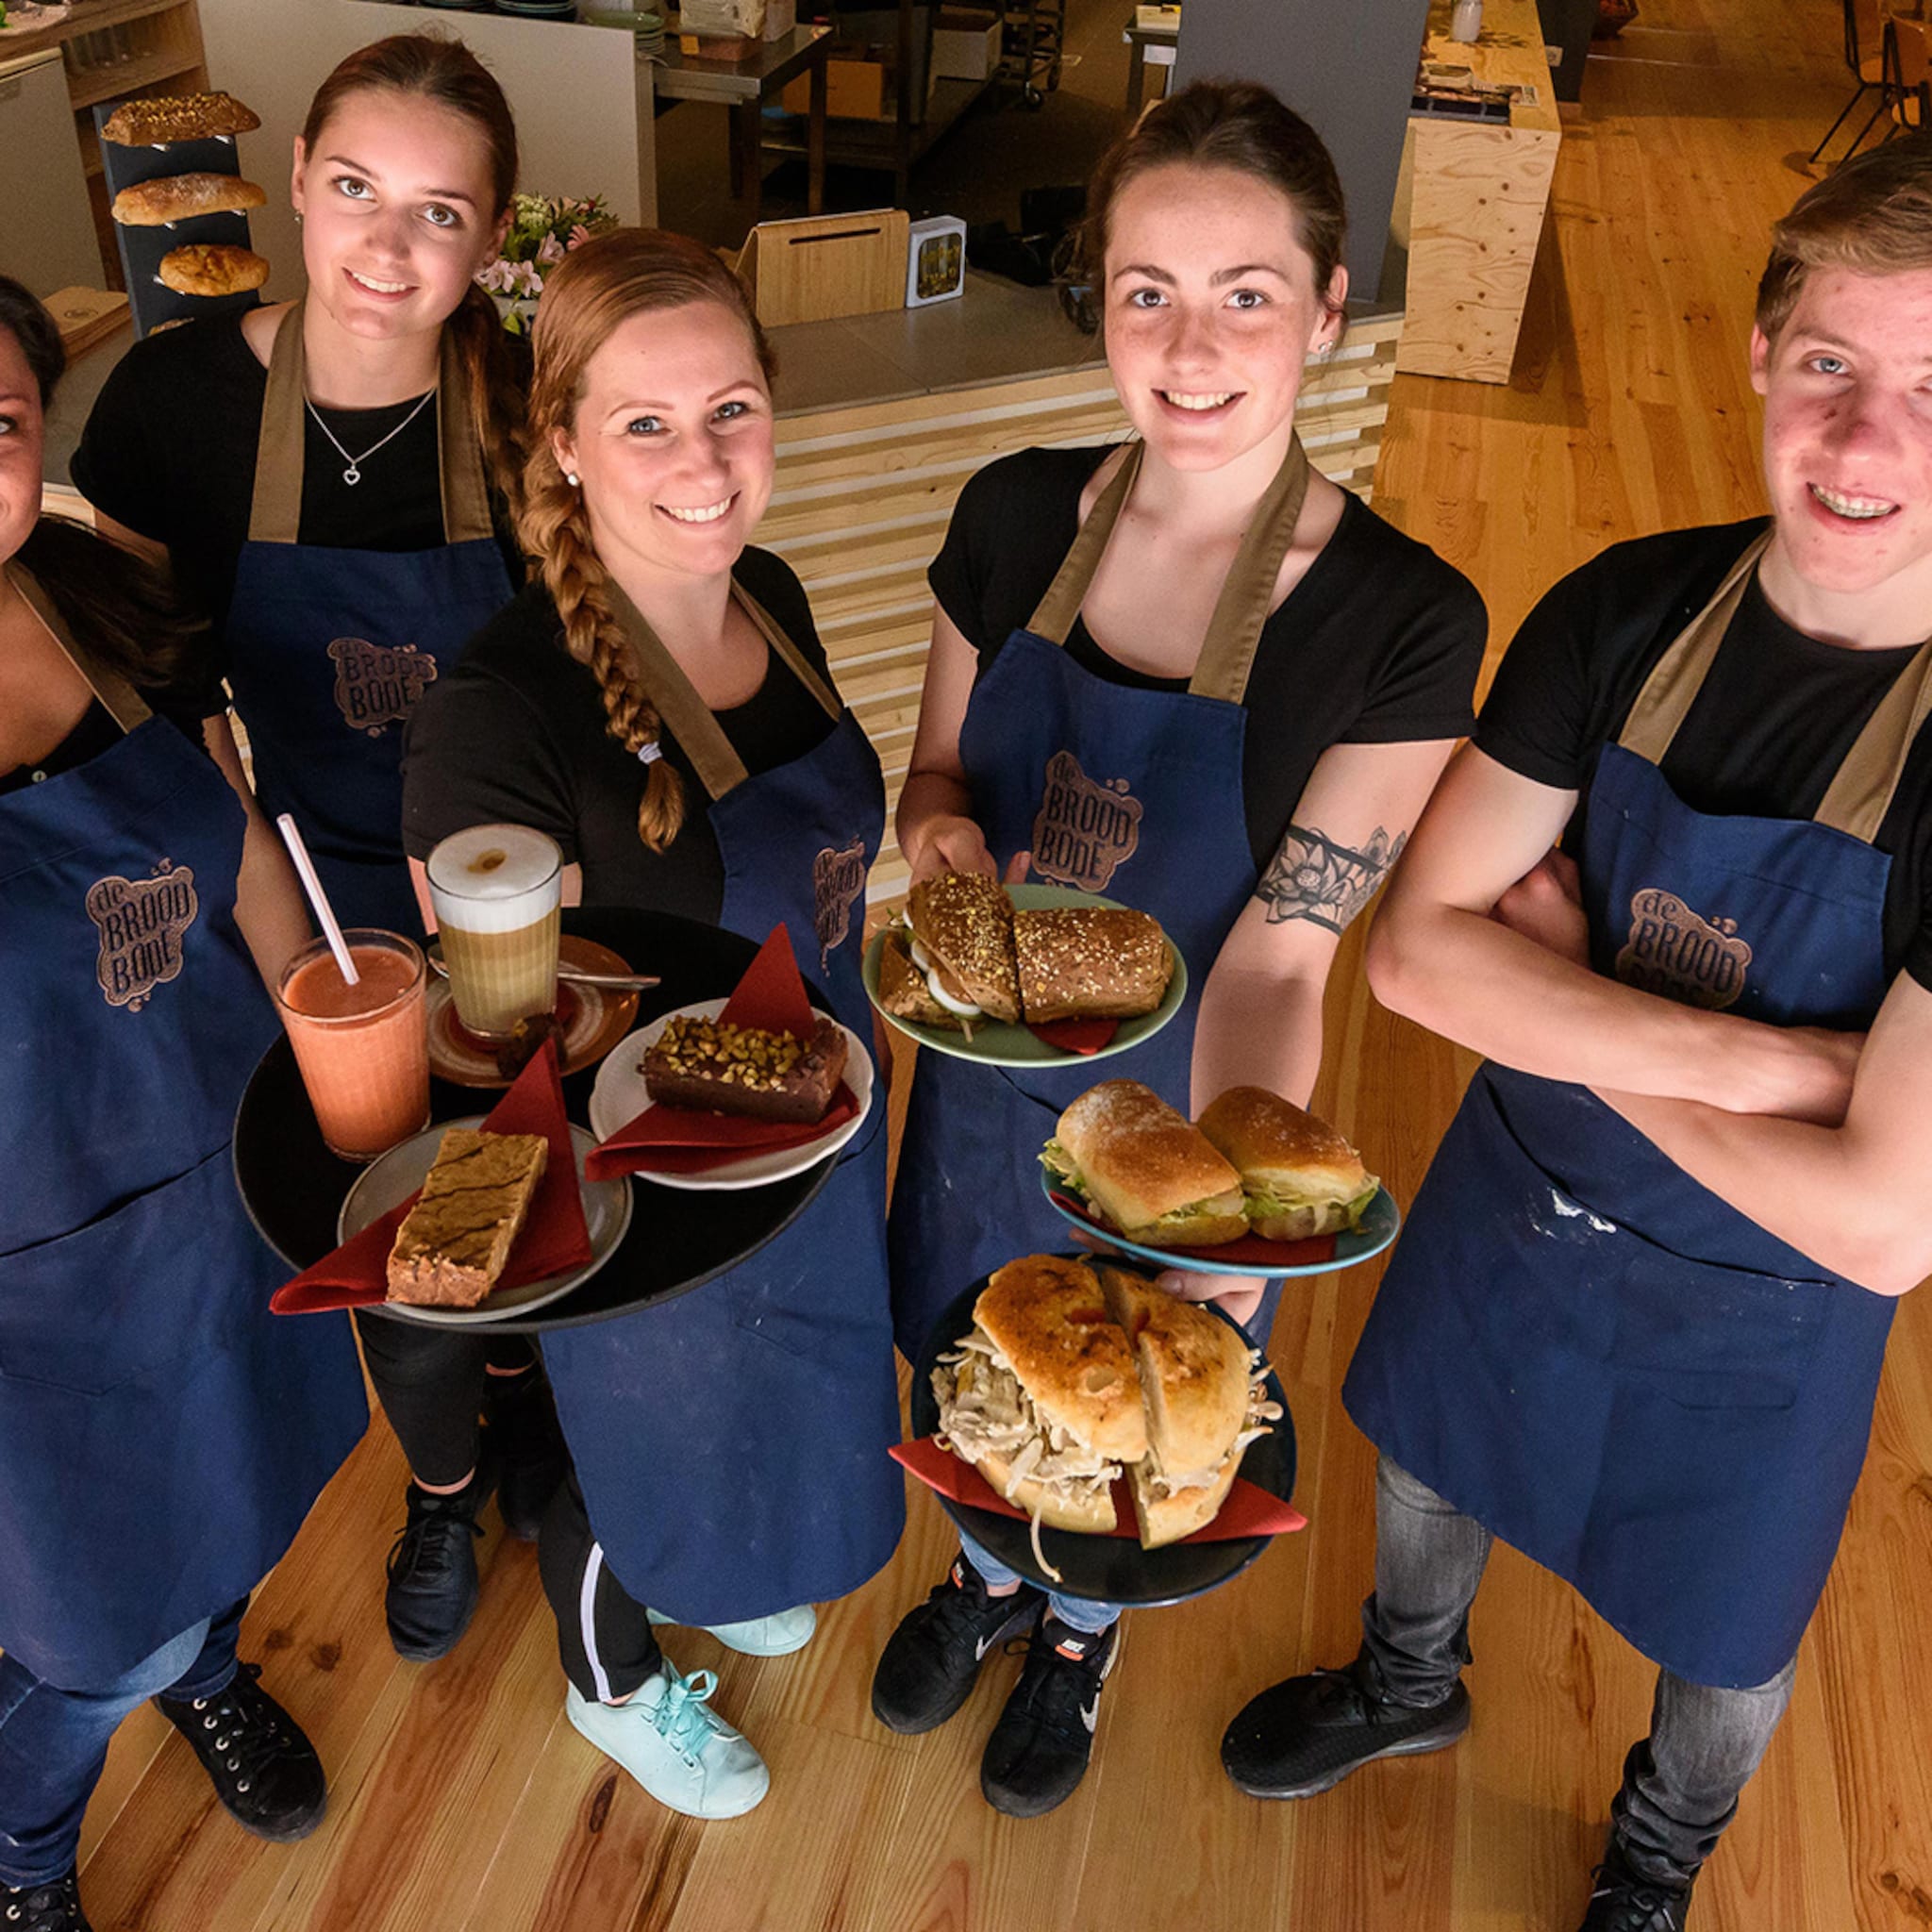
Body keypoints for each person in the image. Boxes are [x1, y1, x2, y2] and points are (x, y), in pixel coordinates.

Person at [1220, 139, 1932, 1932]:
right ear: (1760, 355)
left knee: (1728, 1634)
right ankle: (1409, 1683)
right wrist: (1783, 1070)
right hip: (1521, 1206)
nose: (1865, 440)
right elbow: (1414, 960)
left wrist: (1576, 1012)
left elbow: (1881, 1227)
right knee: (1429, 1462)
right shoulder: (1625, 611)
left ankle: (1656, 1861)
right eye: (1831, 362)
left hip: (1768, 1310)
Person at [874, 79, 1488, 1819]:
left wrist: (1212, 1232)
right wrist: (939, 839)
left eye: (1246, 294)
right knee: (986, 1376)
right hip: (981, 1100)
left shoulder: (1402, 620)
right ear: (1100, 296)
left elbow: (1280, 961)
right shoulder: (1012, 516)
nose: (1191, 346)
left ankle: (1079, 1635)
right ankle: (987, 1575)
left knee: (1136, 1425)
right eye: (1148, 290)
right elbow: (934, 779)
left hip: (1191, 1128)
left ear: (1328, 308)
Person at [73, 34, 566, 1668]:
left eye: (440, 212)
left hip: (512, 890)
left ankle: (535, 1399)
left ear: (491, 235)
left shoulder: (529, 404)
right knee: (383, 1212)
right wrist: (299, 964)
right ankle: (442, 1483)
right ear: (293, 177)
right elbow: (159, 709)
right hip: (298, 891)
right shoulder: (174, 405)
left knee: (529, 1167)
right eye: (355, 187)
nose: (386, 246)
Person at [400, 227, 904, 1822]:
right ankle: (610, 1676)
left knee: (792, 1388)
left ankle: (728, 1556)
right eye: (645, 423)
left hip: (814, 1107)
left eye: (732, 409)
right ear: (561, 441)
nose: (705, 464)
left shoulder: (773, 593)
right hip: (641, 1176)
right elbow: (492, 1027)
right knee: (649, 1440)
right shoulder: (507, 707)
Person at [0, 279, 368, 1932]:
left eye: (0, 420)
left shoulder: (96, 603)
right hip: (31, 1294)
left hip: (223, 1193)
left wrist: (336, 1045)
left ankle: (207, 1663)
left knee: (238, 1502)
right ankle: (25, 1855)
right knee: (85, 1636)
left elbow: (236, 852)